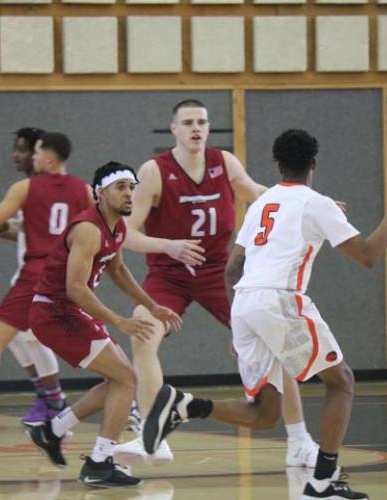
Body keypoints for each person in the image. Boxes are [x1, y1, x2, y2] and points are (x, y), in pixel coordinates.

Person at [143, 129, 378, 500]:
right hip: (280, 299)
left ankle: (186, 405)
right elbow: (366, 256)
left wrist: (241, 325)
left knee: (265, 414)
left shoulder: (261, 204)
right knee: (342, 381)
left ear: (278, 164)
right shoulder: (317, 203)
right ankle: (323, 481)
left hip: (245, 302)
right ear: (314, 164)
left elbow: (231, 269)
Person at [115, 99, 318, 466]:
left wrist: (310, 204)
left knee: (278, 340)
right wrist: (168, 245)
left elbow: (261, 193)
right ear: (173, 129)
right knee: (142, 334)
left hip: (217, 273)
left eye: (203, 122)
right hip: (169, 275)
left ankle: (300, 442)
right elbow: (124, 234)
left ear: (209, 128)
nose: (196, 128)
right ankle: (153, 432)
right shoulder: (154, 171)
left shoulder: (224, 162)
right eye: (188, 122)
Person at [28, 161, 183, 488]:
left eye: (131, 187)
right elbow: (75, 287)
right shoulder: (87, 228)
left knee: (120, 379)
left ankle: (52, 431)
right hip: (54, 313)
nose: (129, 193)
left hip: (70, 311)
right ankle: (98, 462)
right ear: (100, 193)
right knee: (126, 378)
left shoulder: (119, 227)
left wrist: (153, 306)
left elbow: (118, 271)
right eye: (120, 187)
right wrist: (119, 320)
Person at [0, 132, 92, 431]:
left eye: (36, 152)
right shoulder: (85, 191)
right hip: (67, 275)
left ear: (49, 157)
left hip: (37, 275)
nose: (33, 157)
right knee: (50, 338)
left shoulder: (26, 187)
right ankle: (62, 401)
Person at [0, 127, 69, 427]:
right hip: (27, 272)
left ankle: (54, 400)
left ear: (39, 155)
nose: (17, 155)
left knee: (31, 338)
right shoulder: (32, 186)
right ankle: (49, 398)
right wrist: (3, 231)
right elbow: (32, 229)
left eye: (24, 149)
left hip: (45, 275)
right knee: (19, 339)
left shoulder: (46, 188)